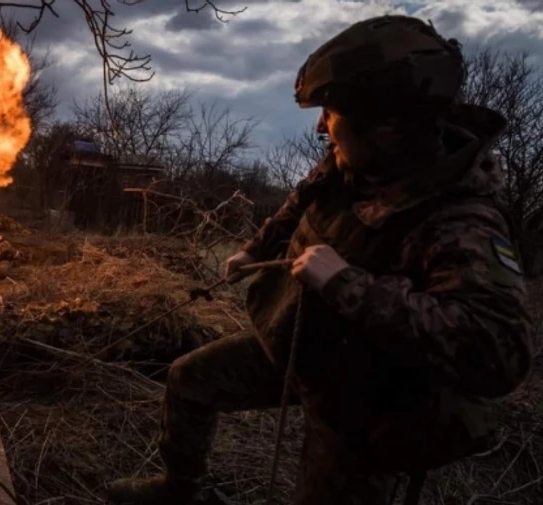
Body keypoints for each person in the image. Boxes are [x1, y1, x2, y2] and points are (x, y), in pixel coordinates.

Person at [105, 14, 533, 505]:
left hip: (364, 404)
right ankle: (179, 490)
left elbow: (501, 353)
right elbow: (301, 201)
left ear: (384, 127)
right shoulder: (354, 161)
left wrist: (347, 283)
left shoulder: (460, 218)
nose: (320, 125)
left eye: (331, 111)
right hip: (299, 346)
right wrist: (257, 248)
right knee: (189, 378)